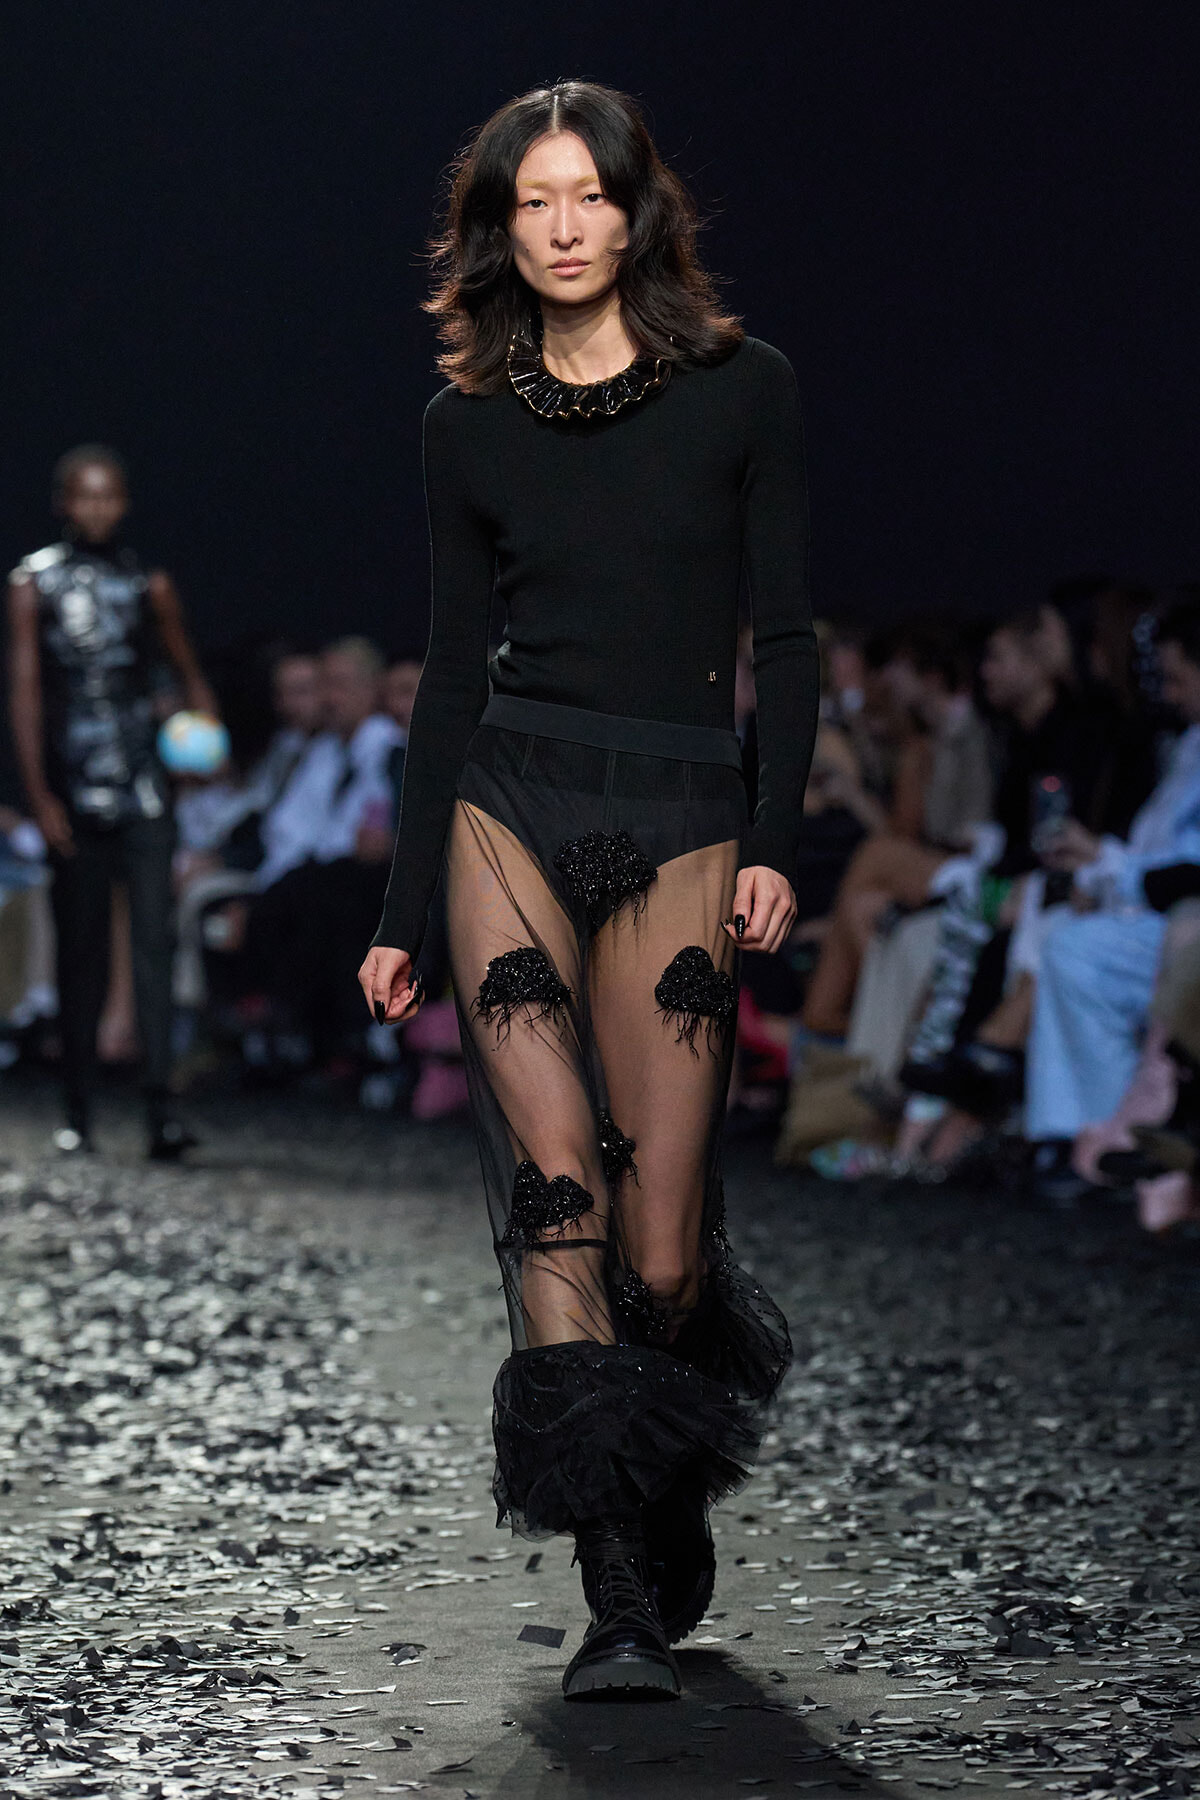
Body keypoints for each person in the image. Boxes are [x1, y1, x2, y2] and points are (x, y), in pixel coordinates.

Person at [358, 82, 817, 1702]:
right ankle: (616, 1586)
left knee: (668, 1243)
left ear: (635, 213)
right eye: (528, 202)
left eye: (582, 198)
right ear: (501, 225)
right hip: (514, 800)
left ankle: (662, 1456)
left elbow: (784, 639)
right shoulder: (464, 420)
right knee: (556, 1183)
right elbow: (445, 679)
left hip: (686, 797)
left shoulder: (741, 391)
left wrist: (775, 838)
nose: (557, 228)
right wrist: (405, 913)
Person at [7, 444, 216, 1157]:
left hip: (144, 783)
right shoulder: (32, 583)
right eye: (84, 496)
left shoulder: (147, 583)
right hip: (73, 784)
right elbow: (27, 694)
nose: (97, 508)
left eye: (110, 496)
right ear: (64, 502)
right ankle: (79, 1109)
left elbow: (187, 670)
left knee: (155, 943)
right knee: (81, 952)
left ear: (123, 503)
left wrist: (203, 741)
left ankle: (162, 1110)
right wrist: (38, 795)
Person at [1025, 600, 1200, 1186]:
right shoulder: (1184, 742)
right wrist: (1103, 866)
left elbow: (1185, 871)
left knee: (1077, 949)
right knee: (1064, 936)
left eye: (1178, 677)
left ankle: (1106, 1134)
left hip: (1179, 918)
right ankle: (1076, 1134)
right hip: (1158, 911)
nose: (1169, 692)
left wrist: (1105, 864)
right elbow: (1161, 854)